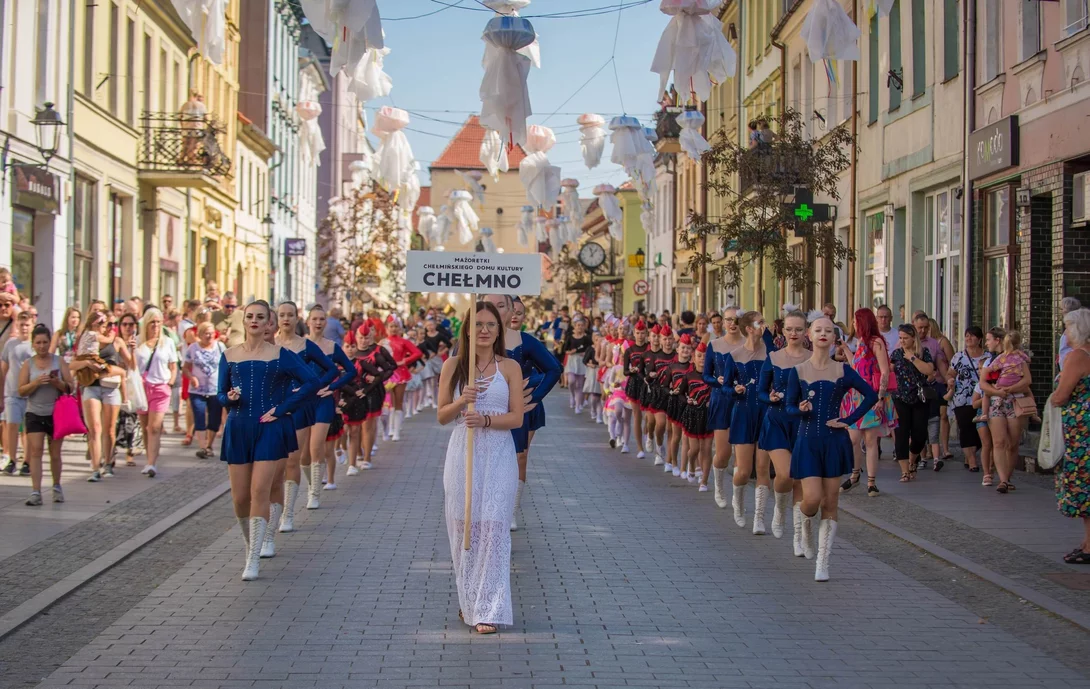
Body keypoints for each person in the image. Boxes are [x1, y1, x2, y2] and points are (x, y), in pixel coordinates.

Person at [437, 301, 525, 634]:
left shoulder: (510, 368)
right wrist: (462, 401)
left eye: (491, 324)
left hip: (499, 453)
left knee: (494, 527)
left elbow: (517, 417)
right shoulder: (454, 365)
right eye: (478, 324)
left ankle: (488, 608)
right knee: (465, 531)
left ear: (499, 330)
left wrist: (486, 418)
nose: (485, 330)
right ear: (468, 329)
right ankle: (469, 599)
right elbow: (442, 416)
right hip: (464, 453)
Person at [218, 300, 319, 580]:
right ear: (244, 321)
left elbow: (312, 381)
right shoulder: (228, 354)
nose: (254, 321)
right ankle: (251, 543)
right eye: (249, 316)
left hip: (270, 427)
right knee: (239, 497)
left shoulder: (280, 354)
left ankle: (253, 558)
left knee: (260, 490)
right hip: (238, 428)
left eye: (260, 317)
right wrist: (229, 398)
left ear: (267, 323)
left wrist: (284, 407)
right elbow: (220, 394)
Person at [786, 317, 878, 581]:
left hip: (834, 441)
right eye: (818, 330)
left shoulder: (843, 370)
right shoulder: (799, 370)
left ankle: (823, 563)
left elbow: (871, 395)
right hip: (807, 440)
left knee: (831, 502)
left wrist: (848, 420)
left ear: (835, 337)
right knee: (811, 499)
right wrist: (800, 409)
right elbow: (790, 407)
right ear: (809, 336)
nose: (823, 334)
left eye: (828, 330)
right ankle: (803, 527)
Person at [482, 294, 560, 532]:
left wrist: (533, 396)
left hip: (520, 409)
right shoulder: (478, 338)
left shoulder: (524, 341)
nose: (512, 315)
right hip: (487, 408)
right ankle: (485, 508)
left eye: (517, 311)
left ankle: (510, 510)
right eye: (507, 309)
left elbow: (554, 368)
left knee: (518, 457)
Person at [274, 302, 336, 533]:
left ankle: (288, 514)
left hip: (300, 407)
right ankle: (272, 514)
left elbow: (331, 370)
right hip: (274, 408)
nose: (286, 319)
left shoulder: (305, 345)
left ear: (297, 317)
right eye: (282, 315)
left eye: (290, 315)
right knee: (274, 466)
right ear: (276, 318)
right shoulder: (271, 344)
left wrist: (311, 388)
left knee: (295, 459)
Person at [757, 310, 809, 547]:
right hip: (777, 420)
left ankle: (798, 535)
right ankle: (779, 506)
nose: (794, 333)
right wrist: (771, 397)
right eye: (790, 329)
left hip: (802, 423)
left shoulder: (812, 358)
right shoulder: (774, 357)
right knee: (785, 474)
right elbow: (760, 391)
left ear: (806, 331)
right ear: (783, 331)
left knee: (799, 480)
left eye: (799, 329)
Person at [724, 311, 777, 531]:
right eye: (760, 323)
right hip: (744, 412)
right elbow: (725, 387)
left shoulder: (770, 352)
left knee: (763, 468)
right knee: (744, 471)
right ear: (749, 328)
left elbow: (780, 365)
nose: (764, 325)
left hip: (766, 412)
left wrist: (767, 337)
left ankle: (759, 518)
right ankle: (738, 502)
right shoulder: (734, 355)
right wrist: (734, 390)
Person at [838, 308, 893, 496]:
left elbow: (884, 371)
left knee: (870, 440)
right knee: (853, 439)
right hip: (856, 396)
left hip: (871, 395)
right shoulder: (861, 342)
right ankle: (855, 475)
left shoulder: (876, 342)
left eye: (855, 320)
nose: (853, 323)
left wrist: (880, 396)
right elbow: (856, 367)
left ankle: (871, 482)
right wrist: (846, 348)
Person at [18, 325, 74, 505]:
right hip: (34, 411)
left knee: (55, 453)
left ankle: (57, 486)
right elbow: (21, 390)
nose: (42, 346)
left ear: (50, 343)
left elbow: (70, 387)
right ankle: (36, 491)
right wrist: (35, 383)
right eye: (38, 343)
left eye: (45, 342)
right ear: (33, 344)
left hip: (56, 412)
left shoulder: (59, 362)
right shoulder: (28, 364)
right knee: (35, 451)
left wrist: (57, 383)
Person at [304, 305, 357, 493]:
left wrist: (332, 387)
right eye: (315, 319)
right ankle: (313, 483)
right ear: (307, 321)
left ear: (326, 322)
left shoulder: (332, 346)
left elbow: (351, 371)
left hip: (324, 401)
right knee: (303, 454)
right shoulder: (300, 344)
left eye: (321, 319)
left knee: (316, 446)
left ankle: (315, 493)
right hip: (302, 402)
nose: (318, 322)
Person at [1052, 308, 1090, 564]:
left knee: (1085, 488)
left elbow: (1062, 394)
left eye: (1066, 327)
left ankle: (1089, 547)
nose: (1064, 332)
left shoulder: (1078, 356)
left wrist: (1054, 398)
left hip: (1082, 433)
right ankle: (1087, 542)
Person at [71, 310, 127, 481]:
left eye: (110, 324)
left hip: (110, 388)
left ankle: (108, 463)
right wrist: (88, 363)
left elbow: (125, 369)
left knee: (109, 430)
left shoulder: (115, 342)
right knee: (94, 428)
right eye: (105, 324)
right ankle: (95, 468)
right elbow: (73, 364)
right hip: (91, 387)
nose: (107, 327)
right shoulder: (90, 338)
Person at [980, 330, 1032, 494]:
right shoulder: (995, 360)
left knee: (1013, 442)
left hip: (1015, 401)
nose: (986, 343)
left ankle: (1007, 477)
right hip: (997, 403)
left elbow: (1027, 380)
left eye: (988, 340)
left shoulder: (1019, 359)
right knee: (999, 441)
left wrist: (1010, 389)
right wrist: (997, 392)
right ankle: (1003, 480)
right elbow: (983, 382)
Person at [705, 307, 745, 508]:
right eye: (728, 319)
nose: (732, 323)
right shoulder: (714, 344)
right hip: (721, 400)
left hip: (743, 401)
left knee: (742, 455)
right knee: (723, 453)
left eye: (736, 319)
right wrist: (716, 380)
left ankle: (738, 498)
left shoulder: (750, 344)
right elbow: (706, 375)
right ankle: (719, 486)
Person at [134, 308, 179, 478]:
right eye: (152, 321)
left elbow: (173, 365)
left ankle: (152, 463)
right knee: (145, 427)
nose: (155, 325)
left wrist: (170, 381)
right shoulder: (138, 341)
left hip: (160, 388)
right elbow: (132, 366)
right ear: (145, 323)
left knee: (154, 427)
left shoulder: (167, 342)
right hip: (142, 388)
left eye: (158, 321)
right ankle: (148, 459)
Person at [344, 323, 395, 473]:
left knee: (368, 425)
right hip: (353, 393)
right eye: (361, 337)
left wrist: (375, 379)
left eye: (366, 337)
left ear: (371, 336)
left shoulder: (378, 351)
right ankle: (358, 453)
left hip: (373, 393)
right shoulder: (349, 352)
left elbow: (390, 368)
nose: (363, 341)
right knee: (354, 426)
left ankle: (367, 457)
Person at [889, 325, 935, 482]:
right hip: (900, 397)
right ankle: (904, 471)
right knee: (901, 433)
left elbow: (929, 370)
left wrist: (913, 358)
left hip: (919, 397)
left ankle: (912, 459)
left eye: (905, 338)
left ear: (913, 338)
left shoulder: (923, 353)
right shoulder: (896, 353)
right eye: (900, 338)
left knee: (920, 434)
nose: (902, 341)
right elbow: (889, 369)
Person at [184, 322, 227, 458]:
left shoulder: (220, 347)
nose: (209, 336)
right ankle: (203, 447)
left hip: (215, 390)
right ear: (200, 335)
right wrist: (191, 377)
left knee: (214, 419)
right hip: (197, 390)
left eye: (211, 333)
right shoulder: (193, 348)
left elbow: (228, 366)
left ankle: (209, 445)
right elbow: (185, 367)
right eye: (206, 333)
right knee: (199, 416)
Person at [948, 326, 987, 472]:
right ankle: (971, 460)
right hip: (962, 398)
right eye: (966, 336)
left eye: (972, 336)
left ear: (979, 339)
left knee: (980, 429)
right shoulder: (959, 356)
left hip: (983, 397)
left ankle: (970, 452)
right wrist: (950, 380)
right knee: (965, 427)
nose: (969, 339)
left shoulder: (988, 357)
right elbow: (950, 372)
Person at [1, 312, 34, 475]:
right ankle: (12, 459)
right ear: (17, 326)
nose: (24, 328)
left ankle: (27, 461)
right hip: (12, 392)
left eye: (27, 324)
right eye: (21, 325)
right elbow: (3, 369)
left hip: (30, 393)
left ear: (32, 325)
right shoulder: (10, 344)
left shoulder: (35, 345)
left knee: (27, 429)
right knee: (12, 425)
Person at [383, 318, 423, 441]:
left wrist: (404, 361)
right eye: (391, 326)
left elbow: (417, 353)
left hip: (400, 374)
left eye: (396, 326)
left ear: (400, 328)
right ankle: (389, 428)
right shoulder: (382, 342)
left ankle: (396, 431)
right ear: (386, 328)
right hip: (386, 375)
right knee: (388, 402)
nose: (393, 328)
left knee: (398, 401)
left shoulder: (403, 341)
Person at [646, 325, 676, 468]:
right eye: (665, 339)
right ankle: (659, 447)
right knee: (661, 424)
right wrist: (651, 375)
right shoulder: (655, 357)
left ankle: (668, 461)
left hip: (674, 395)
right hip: (658, 394)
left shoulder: (677, 356)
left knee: (671, 430)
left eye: (670, 339)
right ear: (661, 340)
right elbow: (648, 375)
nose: (668, 342)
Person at [624, 320, 650, 458]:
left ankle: (648, 435)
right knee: (637, 416)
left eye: (642, 333)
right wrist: (631, 370)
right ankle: (640, 448)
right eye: (638, 333)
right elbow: (625, 372)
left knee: (648, 416)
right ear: (634, 333)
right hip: (634, 384)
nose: (640, 335)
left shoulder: (650, 348)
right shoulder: (629, 350)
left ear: (646, 334)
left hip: (648, 384)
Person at [1059, 297, 1083, 371]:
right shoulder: (1069, 325)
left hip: (1072, 366)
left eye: (1062, 309)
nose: (1060, 312)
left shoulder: (1075, 326)